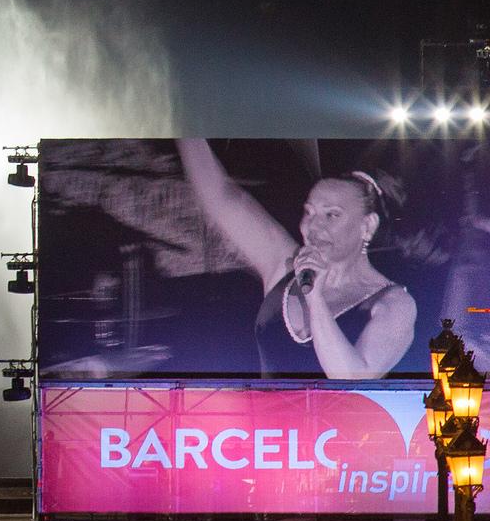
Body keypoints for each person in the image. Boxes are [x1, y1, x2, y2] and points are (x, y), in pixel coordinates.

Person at [177, 140, 417, 378]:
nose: (313, 225)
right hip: (263, 417)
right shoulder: (285, 267)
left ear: (368, 226)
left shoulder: (395, 304)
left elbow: (350, 381)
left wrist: (315, 298)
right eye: (309, 212)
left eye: (331, 214)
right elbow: (220, 195)